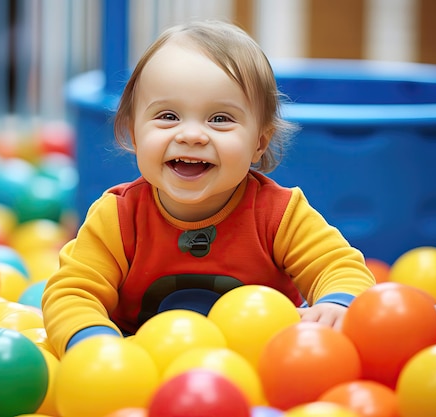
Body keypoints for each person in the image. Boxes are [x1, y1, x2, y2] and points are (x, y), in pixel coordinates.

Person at [42, 20, 375, 357]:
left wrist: (338, 304)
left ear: (259, 141)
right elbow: (72, 293)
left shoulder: (280, 215)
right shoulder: (117, 218)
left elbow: (339, 267)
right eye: (168, 116)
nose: (192, 135)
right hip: (141, 371)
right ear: (133, 131)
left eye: (220, 119)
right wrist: (93, 343)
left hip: (261, 372)